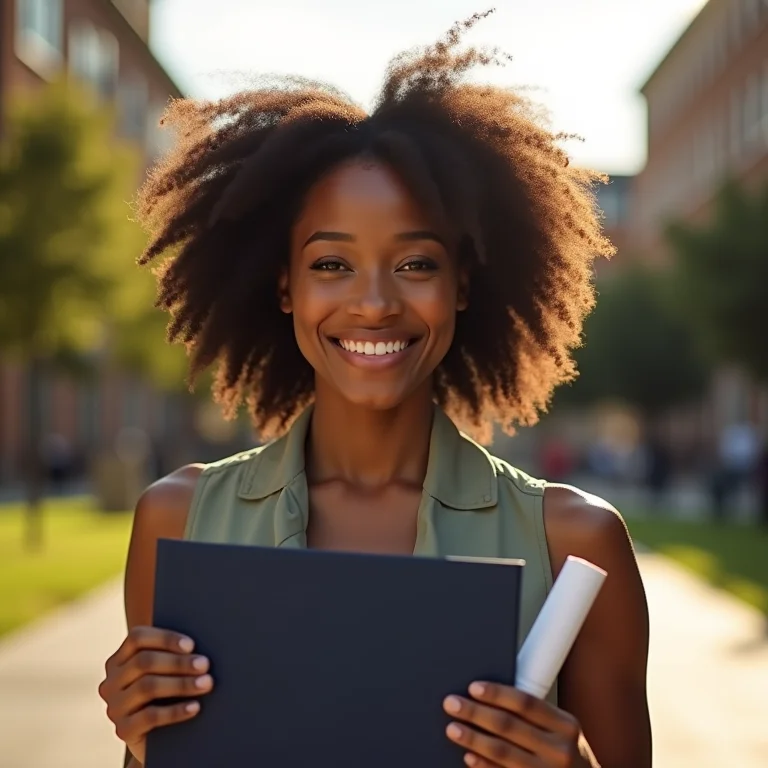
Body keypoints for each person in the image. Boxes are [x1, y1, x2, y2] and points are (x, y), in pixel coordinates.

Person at [98, 12, 651, 768]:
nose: (374, 303)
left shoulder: (575, 544)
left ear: (463, 284)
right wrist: (139, 742)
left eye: (416, 264)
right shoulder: (177, 521)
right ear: (284, 285)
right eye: (331, 265)